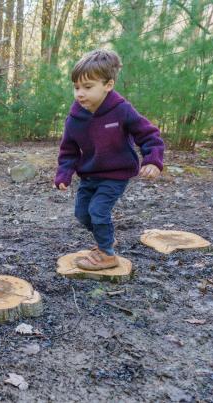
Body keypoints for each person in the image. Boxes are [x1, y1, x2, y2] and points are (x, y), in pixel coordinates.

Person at [54, 49, 164, 270]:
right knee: (82, 214)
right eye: (76, 87)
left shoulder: (121, 110)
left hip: (115, 174)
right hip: (90, 175)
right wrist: (64, 173)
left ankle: (107, 254)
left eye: (87, 87)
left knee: (98, 211)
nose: (80, 93)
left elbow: (149, 135)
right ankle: (106, 239)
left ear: (108, 85)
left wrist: (152, 160)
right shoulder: (75, 118)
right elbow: (69, 151)